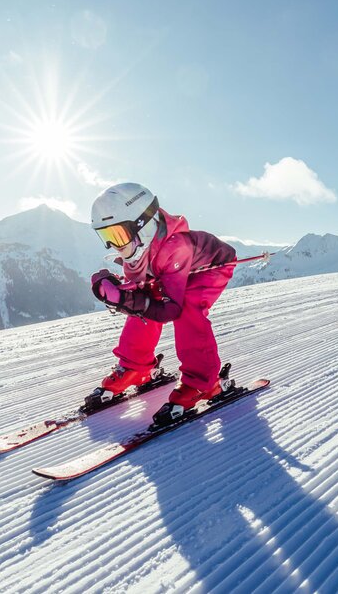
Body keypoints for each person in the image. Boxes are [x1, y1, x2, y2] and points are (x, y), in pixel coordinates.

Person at [87, 182, 238, 427]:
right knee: (145, 300)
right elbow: (140, 300)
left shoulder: (175, 247)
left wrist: (127, 299)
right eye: (107, 236)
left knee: (188, 309)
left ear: (142, 225)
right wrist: (118, 294)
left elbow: (170, 310)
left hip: (210, 267)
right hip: (174, 270)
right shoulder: (135, 252)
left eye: (118, 235)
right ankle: (136, 367)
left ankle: (204, 382)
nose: (115, 245)